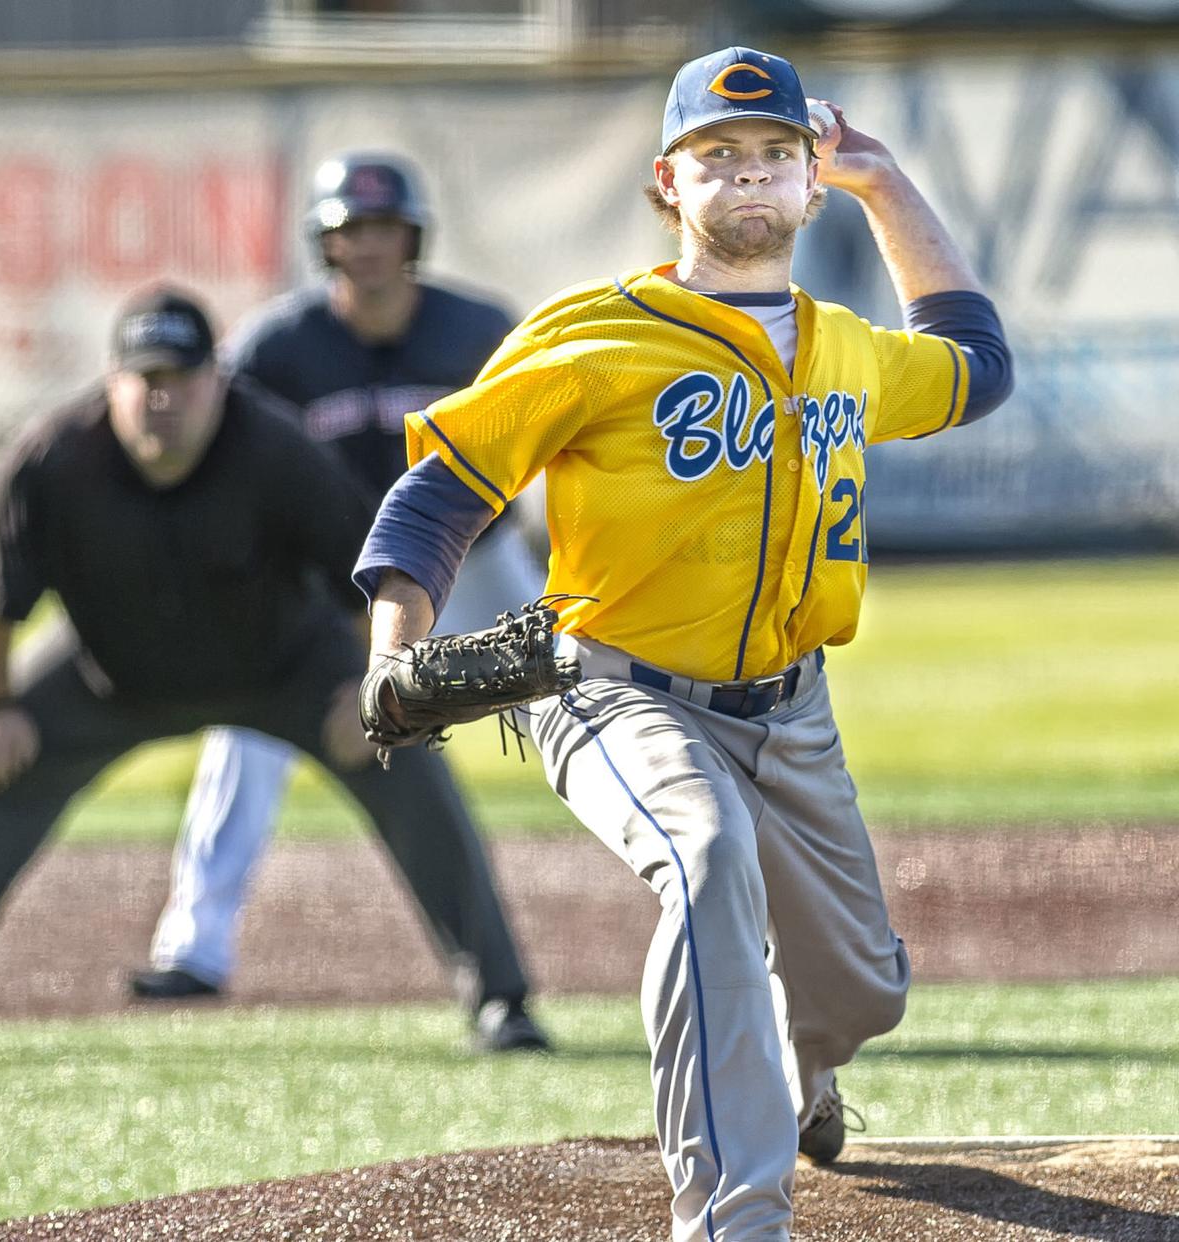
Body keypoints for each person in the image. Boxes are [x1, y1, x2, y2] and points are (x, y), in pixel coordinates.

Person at [352, 47, 1013, 1242]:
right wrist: (394, 644)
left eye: (775, 157)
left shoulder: (849, 348)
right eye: (720, 158)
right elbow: (441, 493)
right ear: (670, 179)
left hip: (793, 710)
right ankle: (731, 1216)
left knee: (863, 992)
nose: (750, 180)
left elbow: (979, 368)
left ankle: (801, 1062)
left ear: (810, 183)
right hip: (615, 691)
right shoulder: (596, 333)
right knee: (703, 861)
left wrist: (887, 181)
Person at [0, 285, 544, 1053]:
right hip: (110, 676)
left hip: (286, 669)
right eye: (144, 379)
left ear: (219, 379)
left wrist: (369, 685)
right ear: (110, 382)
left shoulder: (275, 445)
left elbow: (368, 567)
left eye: (180, 378)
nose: (161, 398)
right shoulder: (54, 459)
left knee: (405, 757)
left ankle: (499, 1001)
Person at [129, 156, 546, 1051]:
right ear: (326, 244)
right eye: (349, 232)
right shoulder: (279, 347)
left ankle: (691, 869)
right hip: (326, 573)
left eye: (383, 229)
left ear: (412, 238)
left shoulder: (478, 329)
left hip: (471, 556)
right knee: (247, 731)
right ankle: (194, 947)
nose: (367, 247)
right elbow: (225, 450)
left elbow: (542, 439)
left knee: (584, 680)